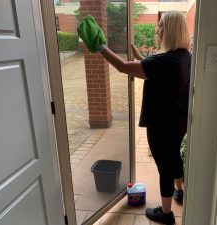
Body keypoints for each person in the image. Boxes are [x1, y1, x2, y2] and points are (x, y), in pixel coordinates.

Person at [78, 10, 191, 225]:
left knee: (164, 166)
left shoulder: (166, 62)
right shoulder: (185, 56)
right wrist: (141, 59)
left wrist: (100, 46)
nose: (158, 31)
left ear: (170, 30)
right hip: (178, 122)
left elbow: (122, 67)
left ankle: (166, 214)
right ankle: (179, 191)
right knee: (173, 156)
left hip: (162, 126)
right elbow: (158, 72)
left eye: (161, 27)